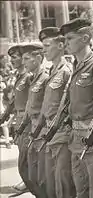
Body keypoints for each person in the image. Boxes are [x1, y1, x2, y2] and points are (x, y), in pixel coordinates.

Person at [60, 18, 93, 198]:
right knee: (81, 189)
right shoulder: (76, 66)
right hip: (76, 137)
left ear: (84, 38)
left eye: (70, 38)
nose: (65, 44)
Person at [32, 26, 75, 198]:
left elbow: (70, 103)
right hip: (49, 131)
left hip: (62, 131)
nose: (44, 50)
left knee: (63, 180)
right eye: (43, 46)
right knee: (51, 180)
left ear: (60, 45)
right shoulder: (52, 71)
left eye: (48, 45)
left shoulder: (67, 70)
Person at [0, 44, 34, 195]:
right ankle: (27, 182)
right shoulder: (19, 76)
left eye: (15, 57)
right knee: (22, 153)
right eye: (10, 57)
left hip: (27, 119)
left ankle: (31, 184)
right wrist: (6, 115)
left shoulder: (29, 76)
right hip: (19, 118)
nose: (11, 60)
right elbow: (14, 100)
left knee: (27, 155)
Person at [17, 43, 48, 198]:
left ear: (38, 58)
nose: (24, 62)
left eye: (27, 58)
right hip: (32, 126)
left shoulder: (46, 76)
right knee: (27, 168)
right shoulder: (33, 78)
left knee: (41, 173)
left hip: (42, 129)